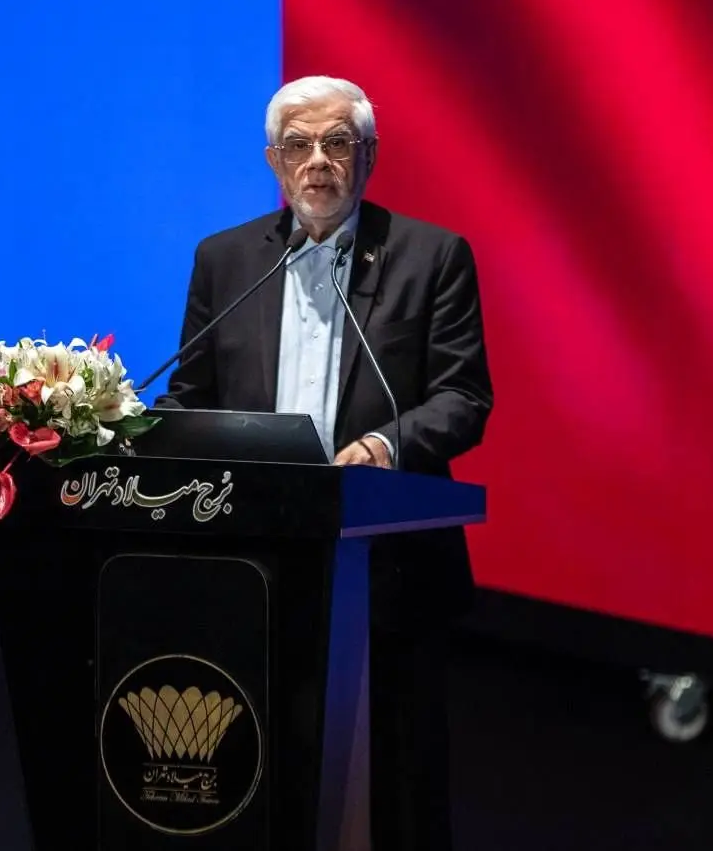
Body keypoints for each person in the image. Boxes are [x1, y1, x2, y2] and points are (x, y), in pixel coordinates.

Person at [156, 75, 493, 850]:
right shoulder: (225, 259)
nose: (318, 162)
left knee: (398, 785)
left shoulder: (431, 256)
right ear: (274, 161)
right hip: (254, 567)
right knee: (262, 767)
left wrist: (383, 445)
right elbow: (189, 395)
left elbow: (464, 396)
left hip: (389, 566)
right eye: (299, 145)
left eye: (338, 143)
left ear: (367, 157)